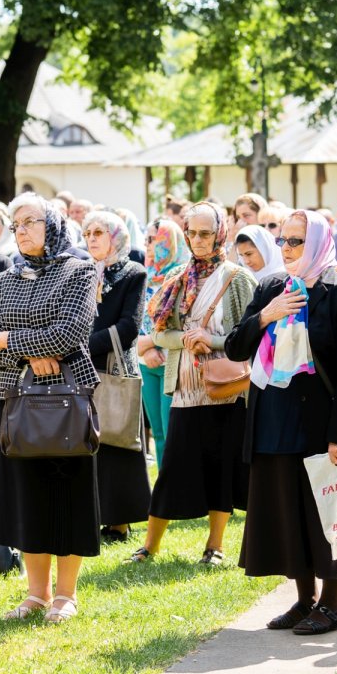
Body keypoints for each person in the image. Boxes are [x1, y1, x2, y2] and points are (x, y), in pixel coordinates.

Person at [224, 209, 337, 634]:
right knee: (287, 511)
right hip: (272, 418)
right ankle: (304, 600)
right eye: (282, 240)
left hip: (319, 423)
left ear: (319, 242)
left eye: (296, 241)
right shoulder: (271, 286)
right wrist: (266, 314)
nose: (286, 249)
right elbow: (235, 348)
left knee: (324, 515)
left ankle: (331, 604)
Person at [0, 193, 100, 622]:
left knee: (67, 494)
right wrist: (27, 351)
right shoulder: (8, 277)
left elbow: (69, 332)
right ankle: (35, 594)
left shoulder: (79, 271)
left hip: (67, 401)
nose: (21, 230)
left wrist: (11, 341)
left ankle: (66, 595)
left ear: (54, 223)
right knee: (27, 496)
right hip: (15, 401)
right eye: (15, 224)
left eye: (30, 221)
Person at [130, 202, 256, 565]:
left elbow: (250, 333)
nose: (198, 240)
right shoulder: (178, 277)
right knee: (173, 464)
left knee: (222, 466)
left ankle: (215, 547)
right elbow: (160, 333)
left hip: (226, 386)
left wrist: (211, 340)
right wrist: (185, 340)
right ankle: (149, 546)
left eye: (206, 233)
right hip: (185, 384)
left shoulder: (238, 277)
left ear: (220, 233)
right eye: (192, 233)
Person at [83, 211, 151, 542]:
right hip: (81, 370)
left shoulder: (132, 273)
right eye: (87, 233)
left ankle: (120, 521)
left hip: (115, 367)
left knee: (117, 439)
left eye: (99, 232)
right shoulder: (80, 273)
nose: (92, 238)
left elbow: (129, 327)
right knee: (87, 441)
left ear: (116, 236)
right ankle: (92, 514)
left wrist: (81, 345)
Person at [136, 219, 190, 469]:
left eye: (153, 240)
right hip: (146, 362)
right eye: (146, 239)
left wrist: (153, 345)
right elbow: (135, 319)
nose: (147, 246)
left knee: (172, 431)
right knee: (156, 430)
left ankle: (177, 490)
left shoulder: (184, 276)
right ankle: (162, 491)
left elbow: (184, 323)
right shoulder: (143, 277)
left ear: (169, 242)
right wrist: (145, 350)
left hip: (173, 362)